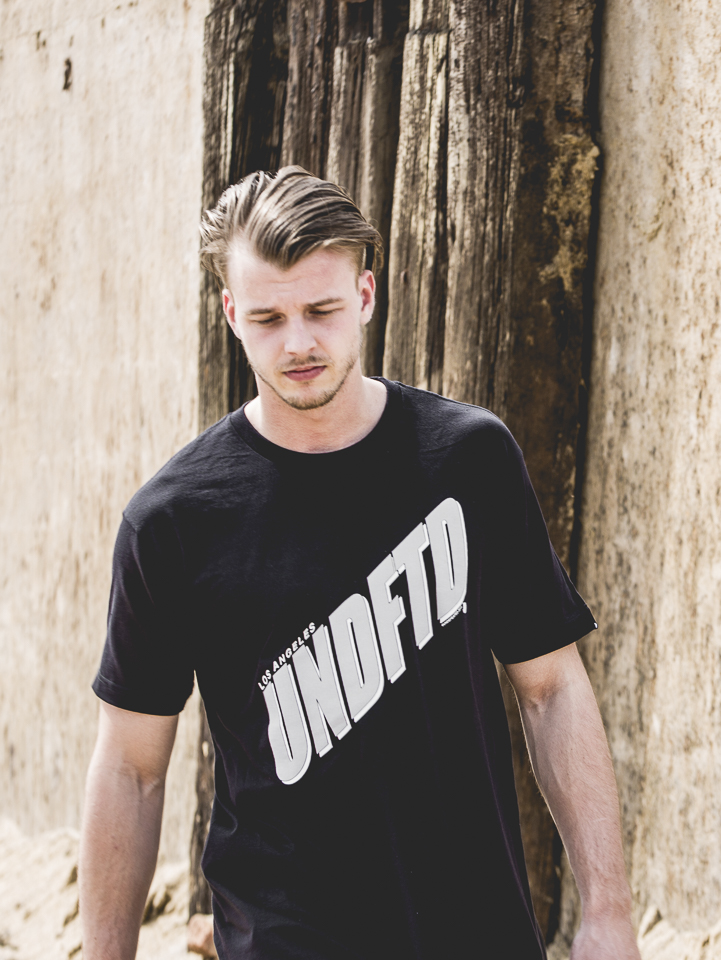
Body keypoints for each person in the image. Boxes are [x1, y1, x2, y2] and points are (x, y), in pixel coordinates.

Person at [78, 166, 640, 960]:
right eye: (268, 317)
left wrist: (607, 914)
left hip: (476, 933)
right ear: (231, 313)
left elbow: (552, 689)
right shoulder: (173, 523)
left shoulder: (468, 460)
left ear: (366, 295)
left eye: (322, 310)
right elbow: (131, 770)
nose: (298, 343)